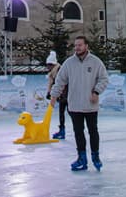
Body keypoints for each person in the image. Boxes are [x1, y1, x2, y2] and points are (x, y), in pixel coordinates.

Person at [50, 35, 108, 172]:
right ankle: (81, 158)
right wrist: (54, 95)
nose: (77, 48)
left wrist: (96, 92)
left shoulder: (96, 62)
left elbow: (104, 79)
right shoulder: (69, 63)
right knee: (78, 132)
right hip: (75, 105)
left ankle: (95, 156)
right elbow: (60, 81)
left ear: (86, 46)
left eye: (80, 45)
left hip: (90, 106)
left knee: (93, 131)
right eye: (75, 45)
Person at [45, 50, 67, 140]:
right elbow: (51, 83)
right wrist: (49, 93)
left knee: (72, 113)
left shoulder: (60, 71)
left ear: (52, 64)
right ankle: (62, 130)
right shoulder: (52, 73)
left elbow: (62, 83)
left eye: (48, 65)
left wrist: (59, 94)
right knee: (61, 113)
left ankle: (77, 129)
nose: (47, 67)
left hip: (66, 95)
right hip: (61, 95)